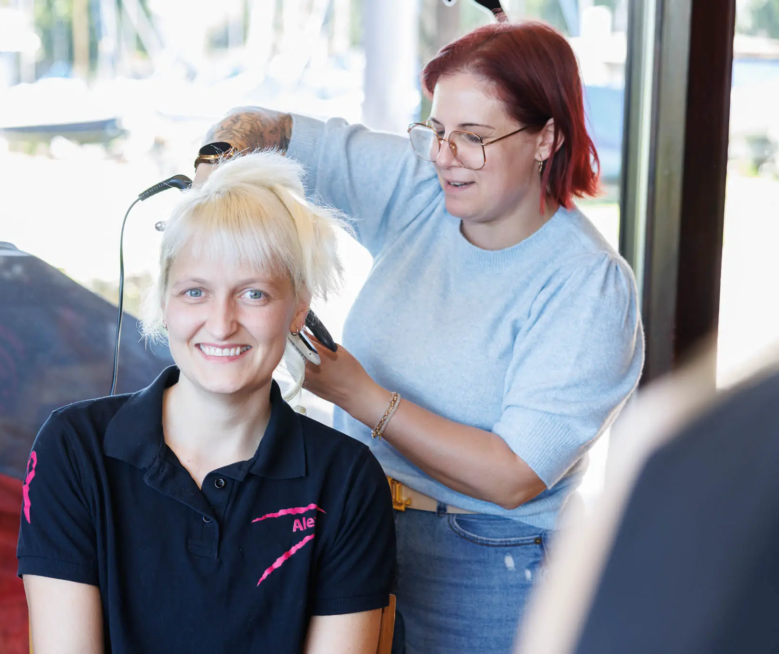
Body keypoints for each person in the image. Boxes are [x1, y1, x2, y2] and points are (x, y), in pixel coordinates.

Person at [197, 20, 644, 654]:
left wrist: (362, 397)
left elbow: (515, 474)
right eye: (435, 131)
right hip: (358, 523)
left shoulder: (588, 288)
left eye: (472, 137)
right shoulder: (423, 189)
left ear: (547, 137)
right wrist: (213, 177)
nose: (443, 155)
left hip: (490, 558)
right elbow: (269, 129)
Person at [17, 152, 397, 653]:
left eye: (254, 295)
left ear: (298, 307)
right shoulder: (75, 450)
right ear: (165, 300)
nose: (221, 324)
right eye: (196, 292)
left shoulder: (345, 480)